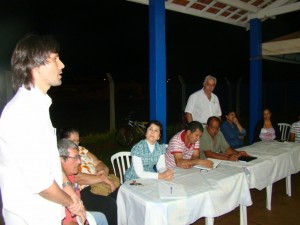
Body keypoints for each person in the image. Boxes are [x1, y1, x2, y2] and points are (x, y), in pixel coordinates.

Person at [0, 34, 85, 225]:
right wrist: (72, 202)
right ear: (35, 66)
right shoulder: (22, 112)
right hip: (30, 216)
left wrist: (67, 185)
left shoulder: (37, 107)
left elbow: (47, 160)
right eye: (55, 59)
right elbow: (42, 184)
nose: (62, 65)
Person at [60, 128, 118, 225]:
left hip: (98, 182)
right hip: (85, 189)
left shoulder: (82, 150)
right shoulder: (66, 162)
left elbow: (99, 162)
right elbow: (78, 177)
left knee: (118, 194)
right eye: (73, 141)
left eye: (78, 141)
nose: (77, 144)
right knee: (110, 205)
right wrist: (103, 179)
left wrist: (103, 171)